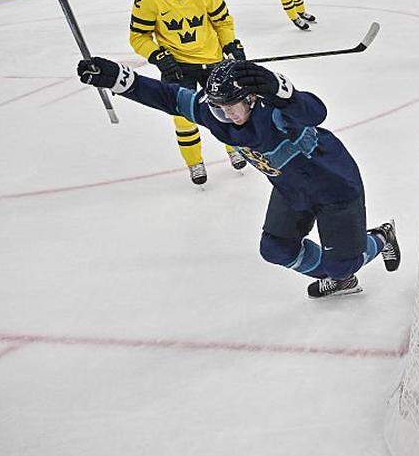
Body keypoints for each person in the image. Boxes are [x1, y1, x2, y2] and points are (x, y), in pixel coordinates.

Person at [75, 57, 402, 298]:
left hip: (334, 189)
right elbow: (169, 97)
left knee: (343, 264)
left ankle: (380, 239)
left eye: (233, 107)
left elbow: (315, 112)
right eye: (219, 109)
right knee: (275, 249)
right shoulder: (216, 113)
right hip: (290, 189)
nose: (227, 116)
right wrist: (119, 78)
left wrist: (283, 91)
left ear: (252, 98)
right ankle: (338, 276)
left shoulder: (275, 113)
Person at [129, 0, 247, 185]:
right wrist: (158, 56)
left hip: (212, 60)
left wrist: (230, 44)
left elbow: (223, 21)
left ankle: (233, 147)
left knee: (227, 109)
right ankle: (195, 163)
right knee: (183, 116)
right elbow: (138, 37)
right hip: (178, 66)